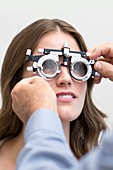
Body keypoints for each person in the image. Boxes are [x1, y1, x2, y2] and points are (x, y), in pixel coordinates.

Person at [0, 18, 108, 169]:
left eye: (78, 67)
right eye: (48, 65)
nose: (65, 79)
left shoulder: (99, 161)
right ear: (17, 80)